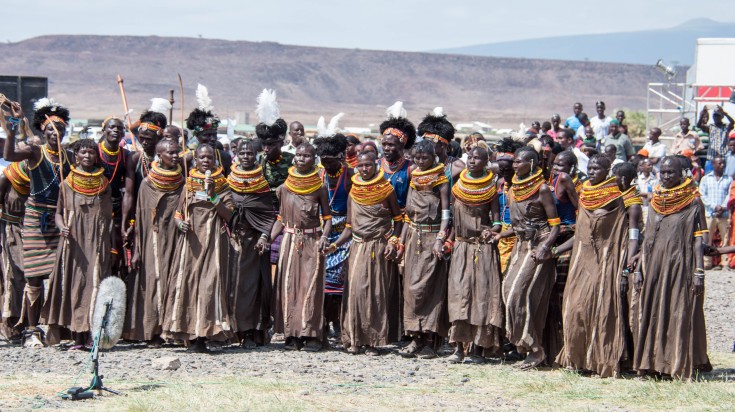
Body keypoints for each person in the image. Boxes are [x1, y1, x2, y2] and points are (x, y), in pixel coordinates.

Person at [553, 155, 632, 377]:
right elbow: (580, 230)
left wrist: (626, 262)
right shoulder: (585, 192)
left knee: (601, 308)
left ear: (608, 170)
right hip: (582, 257)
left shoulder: (618, 196)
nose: (593, 170)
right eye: (591, 167)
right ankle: (575, 358)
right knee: (574, 306)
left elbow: (628, 229)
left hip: (608, 258)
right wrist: (555, 251)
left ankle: (601, 361)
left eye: (598, 167)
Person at [633, 156, 711, 380]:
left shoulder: (693, 202)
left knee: (676, 312)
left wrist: (699, 272)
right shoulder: (656, 199)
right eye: (663, 172)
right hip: (655, 265)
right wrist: (639, 269)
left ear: (683, 174)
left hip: (680, 263)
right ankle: (649, 364)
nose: (666, 176)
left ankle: (671, 365)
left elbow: (698, 240)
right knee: (652, 311)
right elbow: (647, 238)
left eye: (671, 173)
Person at [3, 98, 72, 347]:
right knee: (33, 277)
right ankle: (32, 330)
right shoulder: (35, 152)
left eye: (60, 129)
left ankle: (57, 326)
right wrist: (12, 125)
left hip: (59, 220)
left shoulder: (70, 156)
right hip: (34, 219)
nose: (56, 133)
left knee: (59, 277)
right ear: (43, 130)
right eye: (51, 129)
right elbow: (9, 154)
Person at [324, 151, 403, 355]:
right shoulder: (353, 192)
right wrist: (334, 246)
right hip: (357, 247)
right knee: (356, 292)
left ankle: (374, 341)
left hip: (378, 247)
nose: (364, 169)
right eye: (361, 166)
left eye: (368, 165)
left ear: (376, 165)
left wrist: (393, 241)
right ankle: (354, 338)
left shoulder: (387, 190)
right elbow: (349, 226)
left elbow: (398, 220)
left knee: (375, 293)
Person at [163, 144, 235, 353]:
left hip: (213, 244)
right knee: (188, 285)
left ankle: (205, 334)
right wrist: (180, 224)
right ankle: (190, 335)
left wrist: (213, 195)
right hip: (191, 244)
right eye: (202, 157)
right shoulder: (189, 185)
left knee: (209, 286)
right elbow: (178, 214)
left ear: (215, 160)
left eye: (209, 157)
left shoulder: (223, 185)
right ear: (195, 160)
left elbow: (229, 216)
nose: (205, 160)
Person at [41, 139, 112, 349]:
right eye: (83, 153)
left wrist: (111, 246)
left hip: (97, 242)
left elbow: (108, 217)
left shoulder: (103, 184)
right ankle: (77, 337)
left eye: (91, 153)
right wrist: (62, 226)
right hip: (73, 242)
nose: (87, 156)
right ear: (76, 156)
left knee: (94, 285)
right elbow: (58, 214)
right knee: (74, 286)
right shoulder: (66, 183)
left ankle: (92, 335)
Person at [495, 146, 560, 369]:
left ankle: (535, 348)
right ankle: (523, 345)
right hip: (520, 245)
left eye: (520, 162)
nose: (515, 166)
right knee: (507, 290)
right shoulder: (513, 188)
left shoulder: (542, 189)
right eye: (514, 162)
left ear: (531, 164)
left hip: (538, 247)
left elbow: (555, 226)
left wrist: (546, 247)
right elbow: (517, 226)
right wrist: (499, 233)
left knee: (519, 293)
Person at [270, 144, 332, 352]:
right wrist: (267, 238)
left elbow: (327, 218)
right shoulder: (285, 187)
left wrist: (324, 236)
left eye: (306, 156)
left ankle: (312, 335)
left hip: (312, 241)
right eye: (298, 155)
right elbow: (281, 218)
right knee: (289, 287)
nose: (301, 159)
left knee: (310, 288)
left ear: (314, 160)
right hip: (289, 240)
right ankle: (291, 335)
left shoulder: (320, 188)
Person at [445, 145, 504, 364]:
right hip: (461, 246)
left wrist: (492, 230)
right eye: (470, 157)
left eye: (478, 158)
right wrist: (447, 239)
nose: (472, 161)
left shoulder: (491, 188)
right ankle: (459, 348)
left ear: (486, 162)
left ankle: (480, 349)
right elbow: (451, 219)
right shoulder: (457, 185)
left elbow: (497, 221)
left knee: (482, 297)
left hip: (482, 247)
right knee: (459, 295)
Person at [123, 139, 184, 345]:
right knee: (153, 281)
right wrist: (138, 249)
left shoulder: (182, 183)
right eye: (170, 153)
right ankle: (153, 331)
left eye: (177, 152)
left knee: (174, 281)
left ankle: (172, 330)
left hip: (176, 239)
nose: (175, 156)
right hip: (153, 239)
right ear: (159, 155)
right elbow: (140, 218)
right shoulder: (147, 184)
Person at [398, 140, 450, 359]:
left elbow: (447, 213)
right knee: (411, 289)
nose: (420, 161)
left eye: (425, 158)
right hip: (413, 237)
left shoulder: (441, 180)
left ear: (434, 157)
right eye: (417, 158)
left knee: (429, 288)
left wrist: (440, 239)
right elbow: (408, 216)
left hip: (432, 239)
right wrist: (401, 242)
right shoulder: (413, 178)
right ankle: (414, 338)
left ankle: (431, 341)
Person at [227, 139, 275, 349]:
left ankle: (250, 332)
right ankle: (229, 331)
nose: (246, 157)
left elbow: (268, 215)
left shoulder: (262, 184)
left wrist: (264, 236)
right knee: (231, 287)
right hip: (230, 242)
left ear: (256, 155)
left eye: (249, 153)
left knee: (252, 289)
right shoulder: (227, 181)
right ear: (236, 154)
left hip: (255, 244)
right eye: (242, 153)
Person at [314, 129, 353, 338]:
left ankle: (338, 321)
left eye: (330, 161)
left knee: (339, 283)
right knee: (321, 282)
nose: (327, 165)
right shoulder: (318, 174)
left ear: (340, 157)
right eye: (323, 161)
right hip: (322, 229)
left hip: (344, 231)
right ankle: (323, 321)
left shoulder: (350, 176)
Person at [254, 89, 295, 269]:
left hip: (286, 217)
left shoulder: (292, 162)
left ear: (280, 142)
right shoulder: (259, 162)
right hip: (263, 215)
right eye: (264, 144)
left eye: (271, 144)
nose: (266, 148)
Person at [121, 108, 168, 249]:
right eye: (141, 138)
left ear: (159, 138)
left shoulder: (168, 160)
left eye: (148, 139)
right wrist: (125, 221)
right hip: (139, 216)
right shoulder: (134, 159)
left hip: (164, 216)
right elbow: (129, 193)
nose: (144, 142)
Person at [96, 116, 134, 276]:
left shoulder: (126, 156)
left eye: (120, 128)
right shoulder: (94, 152)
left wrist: (125, 222)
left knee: (117, 252)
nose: (116, 131)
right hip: (96, 206)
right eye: (112, 127)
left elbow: (129, 192)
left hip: (117, 208)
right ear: (104, 130)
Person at [0, 160, 29, 341]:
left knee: (31, 277)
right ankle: (9, 323)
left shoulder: (40, 177)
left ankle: (25, 322)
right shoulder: (8, 176)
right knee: (12, 275)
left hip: (32, 229)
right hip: (9, 229)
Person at [185, 85, 232, 177]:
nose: (213, 139)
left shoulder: (224, 157)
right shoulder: (187, 159)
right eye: (207, 135)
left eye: (214, 134)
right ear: (197, 136)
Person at [492, 137, 524, 273]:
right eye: (501, 170)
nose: (504, 173)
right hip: (500, 234)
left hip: (518, 236)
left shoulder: (523, 186)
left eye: (507, 170)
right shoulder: (500, 183)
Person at [380, 102, 416, 210]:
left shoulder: (411, 169)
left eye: (391, 145)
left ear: (402, 144)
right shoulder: (375, 166)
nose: (386, 148)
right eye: (384, 144)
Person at [699, 155, 732, 270]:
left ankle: (725, 263)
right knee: (707, 239)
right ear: (713, 165)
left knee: (725, 238)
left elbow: (730, 194)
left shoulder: (729, 179)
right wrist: (714, 206)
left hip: (723, 214)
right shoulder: (706, 179)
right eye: (719, 163)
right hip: (709, 214)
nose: (722, 165)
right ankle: (707, 263)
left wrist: (722, 207)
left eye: (723, 163)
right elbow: (702, 195)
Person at [418, 108, 465, 186]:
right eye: (424, 142)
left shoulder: (457, 167)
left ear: (443, 145)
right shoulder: (419, 164)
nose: (425, 146)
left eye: (429, 143)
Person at [706, 106, 735, 173]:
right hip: (711, 158)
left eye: (718, 116)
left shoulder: (726, 126)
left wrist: (724, 113)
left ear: (722, 117)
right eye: (714, 116)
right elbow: (700, 125)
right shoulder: (710, 126)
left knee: (724, 177)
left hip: (723, 158)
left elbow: (732, 122)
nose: (716, 117)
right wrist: (702, 114)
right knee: (708, 177)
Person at [637, 158, 658, 224]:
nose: (651, 166)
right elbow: (636, 193)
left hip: (650, 207)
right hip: (640, 207)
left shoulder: (655, 179)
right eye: (649, 165)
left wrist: (642, 194)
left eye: (651, 165)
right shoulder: (638, 179)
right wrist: (647, 194)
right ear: (643, 167)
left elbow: (654, 194)